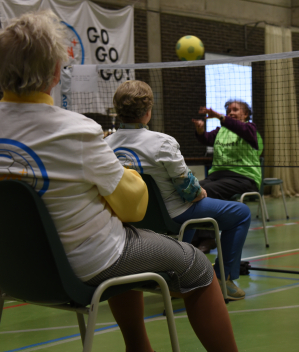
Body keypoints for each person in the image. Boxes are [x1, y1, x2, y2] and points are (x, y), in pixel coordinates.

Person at [0, 10, 238, 352]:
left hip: (13, 268)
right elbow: (133, 206)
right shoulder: (76, 130)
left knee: (121, 239)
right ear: (55, 71)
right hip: (81, 267)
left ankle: (139, 347)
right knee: (195, 264)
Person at [105, 80, 251, 301]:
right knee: (241, 213)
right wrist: (200, 192)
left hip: (127, 218)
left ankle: (179, 275)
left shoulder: (105, 145)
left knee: (189, 211)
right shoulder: (162, 142)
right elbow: (189, 190)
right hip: (171, 216)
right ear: (147, 112)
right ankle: (224, 280)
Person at [191, 100, 263, 253]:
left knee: (206, 190)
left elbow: (239, 128)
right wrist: (200, 131)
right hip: (218, 176)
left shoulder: (250, 129)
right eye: (229, 110)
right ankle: (193, 237)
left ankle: (208, 238)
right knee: (191, 188)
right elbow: (206, 139)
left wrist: (218, 115)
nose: (231, 113)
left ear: (246, 114)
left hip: (243, 178)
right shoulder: (220, 131)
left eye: (235, 110)